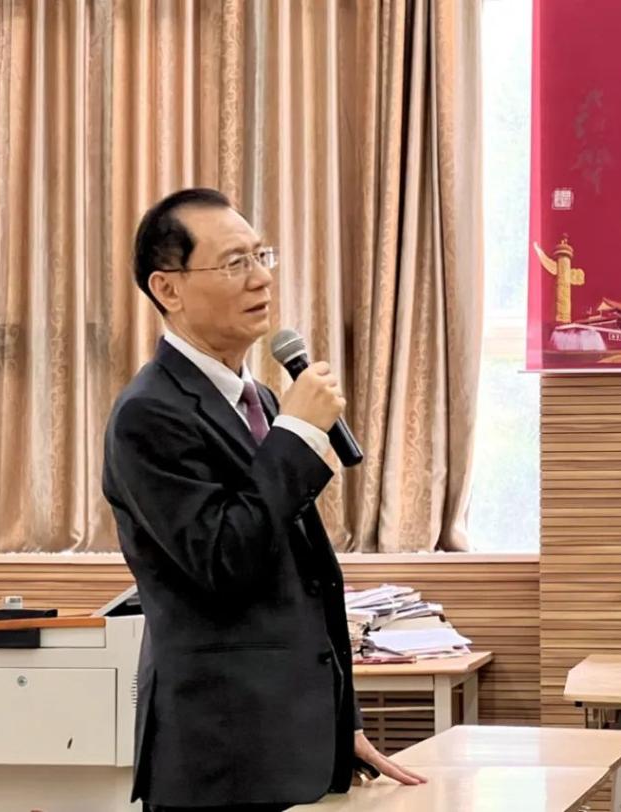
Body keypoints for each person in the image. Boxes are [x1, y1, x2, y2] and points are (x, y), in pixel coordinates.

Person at [102, 188, 426, 812]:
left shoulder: (262, 401)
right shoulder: (149, 414)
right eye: (235, 263)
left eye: (261, 255)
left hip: (289, 744)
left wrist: (340, 722)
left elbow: (304, 579)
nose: (261, 278)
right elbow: (224, 560)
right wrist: (298, 434)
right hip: (221, 756)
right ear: (168, 289)